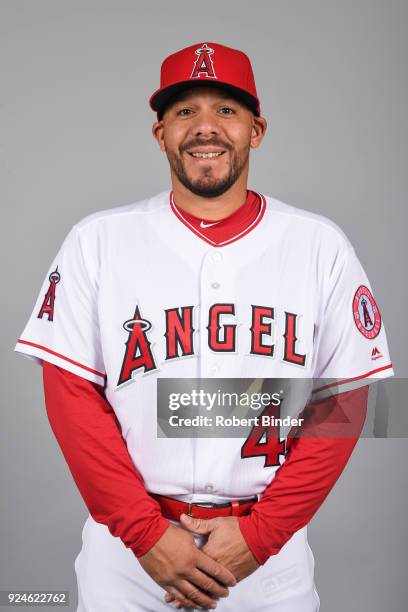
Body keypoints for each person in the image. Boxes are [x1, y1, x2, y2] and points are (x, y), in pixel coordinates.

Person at [15, 42, 393, 611]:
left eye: (227, 110)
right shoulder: (98, 241)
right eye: (185, 111)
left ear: (256, 130)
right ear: (160, 133)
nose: (206, 127)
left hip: (268, 559)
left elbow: (344, 401)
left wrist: (262, 535)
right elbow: (70, 397)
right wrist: (144, 534)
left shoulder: (319, 246)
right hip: (129, 560)